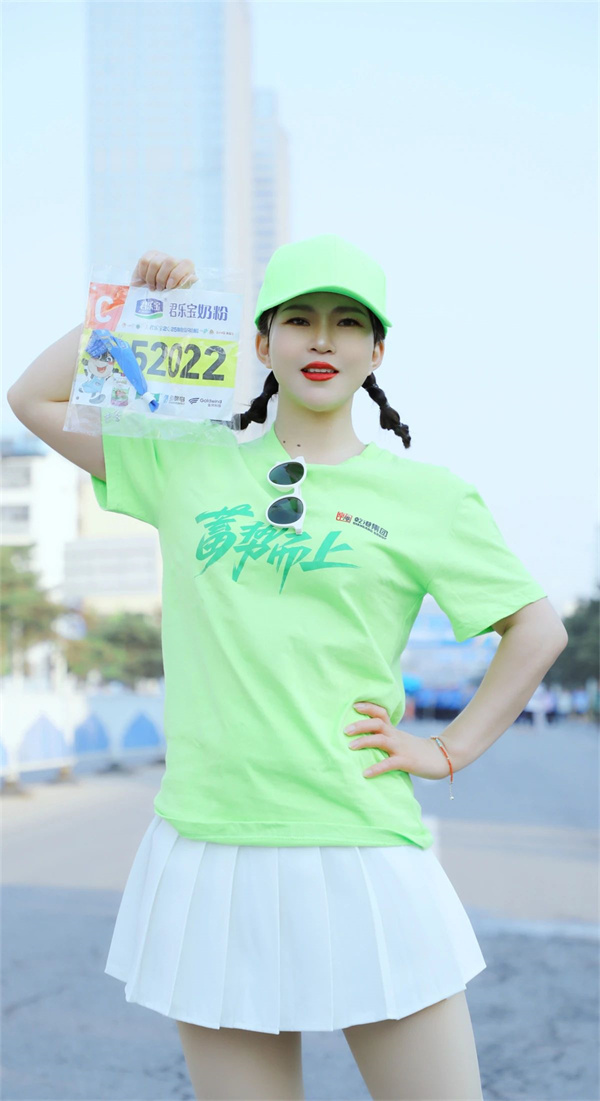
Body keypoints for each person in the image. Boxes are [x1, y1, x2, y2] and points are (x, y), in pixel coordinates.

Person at [7, 236, 567, 1101]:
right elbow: (32, 398)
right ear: (262, 343)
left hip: (359, 841)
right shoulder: (187, 462)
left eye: (348, 323)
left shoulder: (428, 497)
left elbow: (537, 629)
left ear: (377, 351)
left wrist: (447, 749)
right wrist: (130, 309)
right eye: (299, 320)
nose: (323, 340)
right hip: (210, 847)